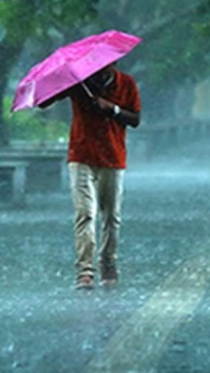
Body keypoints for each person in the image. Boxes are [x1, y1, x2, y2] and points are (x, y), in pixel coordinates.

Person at [39, 64, 141, 290]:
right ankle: (85, 270)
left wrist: (111, 109)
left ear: (114, 64)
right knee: (85, 213)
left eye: (105, 67)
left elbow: (135, 119)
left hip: (113, 157)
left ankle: (108, 262)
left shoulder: (126, 83)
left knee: (111, 216)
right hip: (81, 155)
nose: (100, 70)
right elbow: (43, 102)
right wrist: (58, 83)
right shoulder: (79, 83)